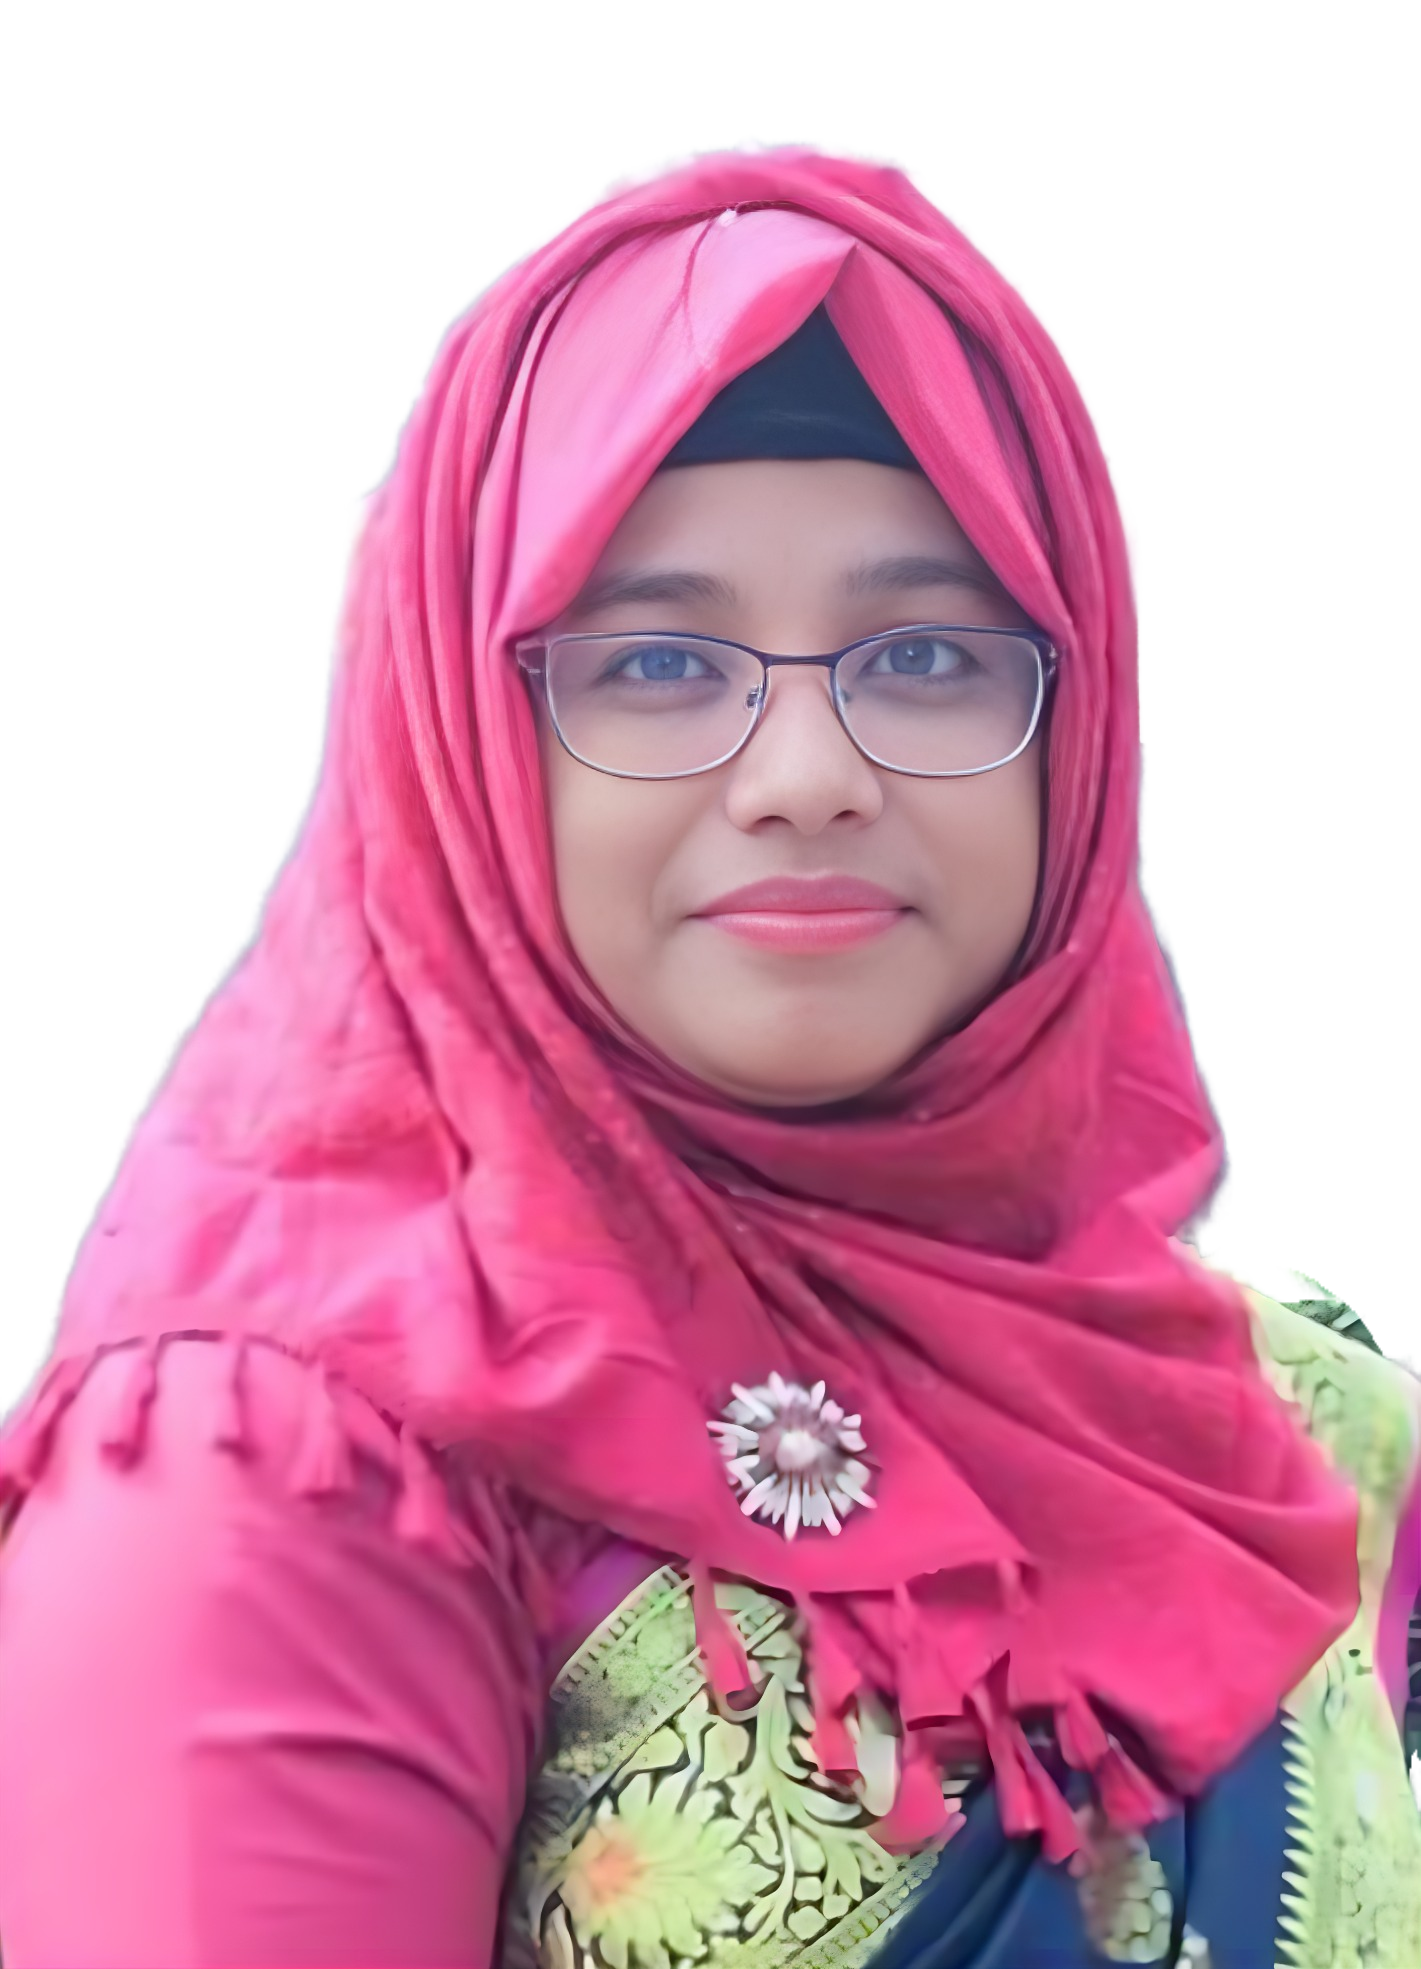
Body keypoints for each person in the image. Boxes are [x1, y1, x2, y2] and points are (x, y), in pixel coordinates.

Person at [1, 148, 1417, 1969]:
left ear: (1073, 733)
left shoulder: (1281, 1438)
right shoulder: (287, 1465)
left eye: (927, 656)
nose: (808, 775)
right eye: (659, 667)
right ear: (471, 743)